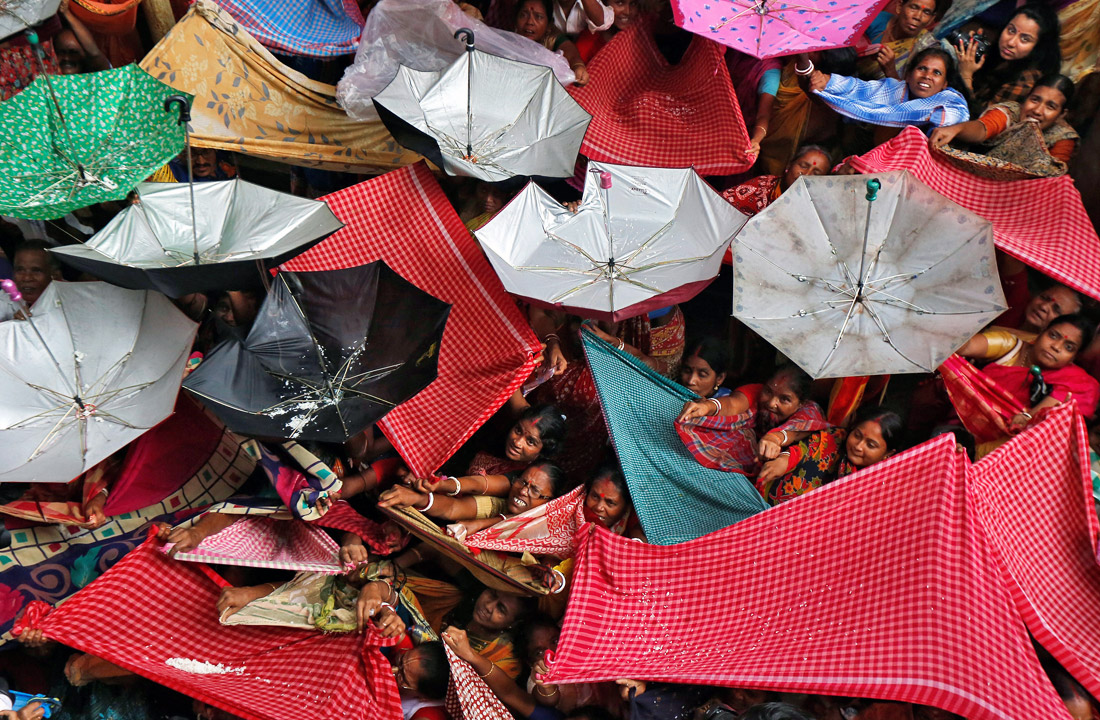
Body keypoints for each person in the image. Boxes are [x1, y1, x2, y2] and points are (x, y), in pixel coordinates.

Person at [678, 364, 831, 475]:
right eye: (769, 391)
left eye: (784, 399)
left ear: (801, 403)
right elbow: (733, 404)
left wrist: (774, 439)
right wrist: (708, 406)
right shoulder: (756, 391)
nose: (771, 403)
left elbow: (796, 431)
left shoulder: (810, 411)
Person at [960, 313, 1099, 424]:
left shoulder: (1074, 381)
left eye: (1069, 347)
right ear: (1042, 331)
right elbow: (965, 346)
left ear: (1074, 357)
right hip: (958, 418)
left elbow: (1026, 421)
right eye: (1053, 335)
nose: (1056, 347)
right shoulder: (1009, 346)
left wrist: (1026, 418)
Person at [377, 461, 568, 538]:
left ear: (550, 502)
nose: (523, 492)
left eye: (534, 490)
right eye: (522, 482)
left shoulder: (547, 534)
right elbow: (454, 508)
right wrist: (419, 497)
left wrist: (481, 524)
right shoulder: (501, 502)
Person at [755, 406, 904, 504]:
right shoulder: (835, 437)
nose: (858, 446)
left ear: (888, 454)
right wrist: (782, 461)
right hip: (772, 507)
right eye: (857, 435)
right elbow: (804, 450)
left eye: (870, 445)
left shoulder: (881, 486)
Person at [805, 47, 970, 133]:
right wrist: (828, 81)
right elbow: (858, 88)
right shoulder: (894, 89)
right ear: (908, 74)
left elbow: (955, 118)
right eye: (922, 68)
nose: (927, 76)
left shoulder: (951, 101)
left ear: (945, 84)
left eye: (937, 73)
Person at [929, 74, 1078, 167]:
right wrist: (957, 129)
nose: (1037, 110)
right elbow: (982, 128)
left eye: (1050, 106)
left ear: (1061, 115)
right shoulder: (1011, 111)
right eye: (1034, 100)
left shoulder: (1062, 137)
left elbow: (1054, 174)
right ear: (1026, 98)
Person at [954, 3, 1062, 111]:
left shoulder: (1026, 81)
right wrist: (976, 52)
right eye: (1011, 30)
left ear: (1038, 47)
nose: (1011, 42)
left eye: (1025, 39)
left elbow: (982, 120)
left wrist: (966, 75)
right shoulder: (1006, 57)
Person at [720, 146, 832, 218]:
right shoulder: (762, 187)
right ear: (789, 165)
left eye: (816, 174)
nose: (806, 175)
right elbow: (721, 208)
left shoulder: (815, 213)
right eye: (803, 166)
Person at [858, 0, 946, 81]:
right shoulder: (877, 20)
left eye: (926, 12)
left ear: (931, 19)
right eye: (914, 7)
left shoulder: (926, 47)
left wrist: (890, 72)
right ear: (899, 6)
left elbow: (914, 94)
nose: (918, 17)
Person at [515, 0, 590, 86]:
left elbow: (570, 53)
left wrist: (578, 66)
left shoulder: (552, 38)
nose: (530, 22)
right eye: (523, 15)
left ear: (549, 24)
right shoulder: (507, 40)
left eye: (538, 17)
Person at [393, 641, 451, 720]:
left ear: (424, 697)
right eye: (401, 660)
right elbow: (399, 637)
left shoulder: (428, 714)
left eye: (402, 677)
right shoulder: (412, 659)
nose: (392, 670)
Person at [574, 0, 640, 62]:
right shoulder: (589, 42)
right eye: (619, 3)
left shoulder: (641, 36)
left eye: (633, 4)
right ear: (604, 3)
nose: (627, 11)